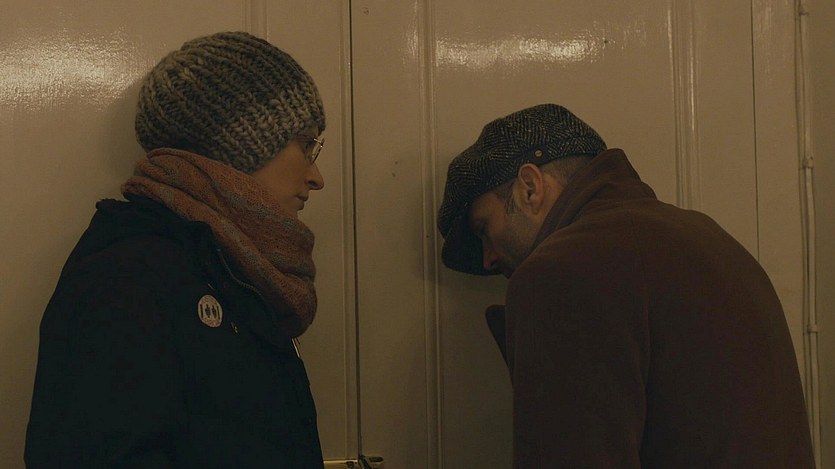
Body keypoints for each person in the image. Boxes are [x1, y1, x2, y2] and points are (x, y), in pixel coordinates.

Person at [437, 103, 815, 468]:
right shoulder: (711, 239)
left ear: (530, 188)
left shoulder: (563, 270)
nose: (487, 258)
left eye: (483, 229)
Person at [25, 31, 327, 468]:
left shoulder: (234, 267)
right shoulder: (125, 277)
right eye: (306, 144)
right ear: (238, 144)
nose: (317, 177)